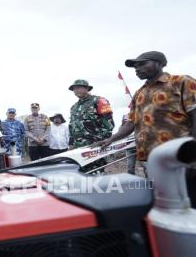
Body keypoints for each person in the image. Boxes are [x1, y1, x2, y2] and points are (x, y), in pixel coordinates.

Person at [97, 51, 196, 207]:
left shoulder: (181, 82)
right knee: (164, 207)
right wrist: (112, 139)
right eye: (135, 66)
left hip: (181, 159)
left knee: (189, 206)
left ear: (160, 63)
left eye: (142, 64)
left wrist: (191, 159)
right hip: (152, 162)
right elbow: (130, 123)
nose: (137, 69)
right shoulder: (139, 94)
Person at [68, 79, 114, 149]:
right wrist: (71, 143)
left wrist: (103, 140)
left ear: (86, 88)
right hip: (78, 146)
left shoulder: (98, 101)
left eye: (78, 88)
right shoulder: (74, 107)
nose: (76, 90)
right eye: (74, 89)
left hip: (96, 144)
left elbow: (109, 124)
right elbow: (71, 125)